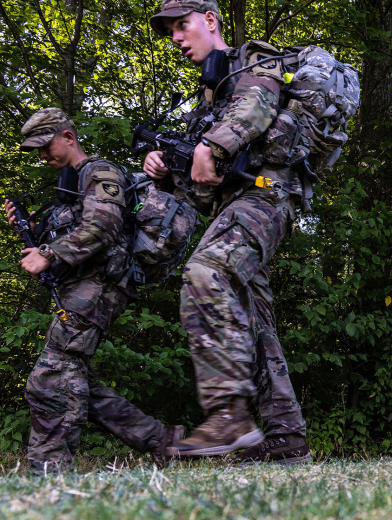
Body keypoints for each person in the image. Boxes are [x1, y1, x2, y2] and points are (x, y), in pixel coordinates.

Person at [145, 0, 309, 463]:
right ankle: (285, 442)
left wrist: (209, 145)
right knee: (254, 323)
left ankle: (228, 414)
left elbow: (257, 109)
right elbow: (202, 189)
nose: (176, 38)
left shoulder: (251, 62)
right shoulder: (210, 97)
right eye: (170, 32)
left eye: (182, 26)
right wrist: (163, 168)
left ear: (210, 21)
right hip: (232, 206)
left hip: (265, 198)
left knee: (205, 272)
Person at [5, 108, 181, 474]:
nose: (42, 155)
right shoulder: (70, 188)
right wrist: (36, 232)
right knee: (75, 377)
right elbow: (77, 231)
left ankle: (50, 472)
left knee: (50, 379)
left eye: (45, 145)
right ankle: (165, 442)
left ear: (68, 137)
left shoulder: (99, 172)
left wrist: (48, 254)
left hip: (99, 287)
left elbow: (104, 226)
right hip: (83, 288)